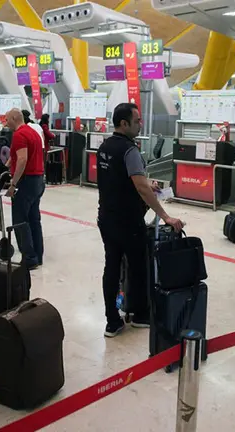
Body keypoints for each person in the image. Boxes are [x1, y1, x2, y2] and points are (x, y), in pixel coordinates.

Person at [96, 103, 185, 337]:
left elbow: (118, 180)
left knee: (112, 267)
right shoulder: (130, 150)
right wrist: (165, 216)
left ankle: (112, 319)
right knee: (137, 267)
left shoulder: (104, 146)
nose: (140, 124)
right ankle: (139, 314)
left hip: (106, 218)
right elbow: (140, 187)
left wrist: (143, 184)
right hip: (128, 221)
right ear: (123, 123)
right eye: (136, 121)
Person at [5, 108, 45, 269]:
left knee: (20, 220)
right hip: (38, 180)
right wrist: (7, 164)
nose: (6, 123)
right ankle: (37, 256)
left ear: (14, 118)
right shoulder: (33, 132)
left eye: (7, 119)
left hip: (26, 181)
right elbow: (17, 156)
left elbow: (22, 159)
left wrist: (13, 184)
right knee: (34, 219)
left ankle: (28, 257)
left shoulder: (19, 135)